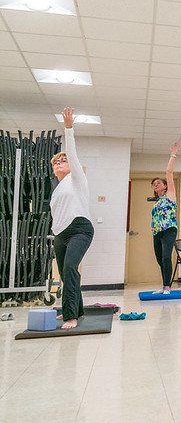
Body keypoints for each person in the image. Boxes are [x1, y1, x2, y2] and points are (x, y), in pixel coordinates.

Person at [50, 107, 94, 329]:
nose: (59, 163)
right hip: (60, 234)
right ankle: (77, 308)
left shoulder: (77, 177)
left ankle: (70, 316)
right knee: (67, 274)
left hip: (79, 228)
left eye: (63, 161)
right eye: (56, 163)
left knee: (69, 268)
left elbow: (72, 154)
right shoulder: (57, 190)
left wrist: (68, 129)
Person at [151, 142, 179, 294]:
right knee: (160, 260)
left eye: (158, 183)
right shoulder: (157, 201)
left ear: (165, 186)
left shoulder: (170, 195)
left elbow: (169, 172)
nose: (155, 185)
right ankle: (164, 286)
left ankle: (168, 287)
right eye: (154, 184)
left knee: (167, 257)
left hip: (169, 230)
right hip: (157, 232)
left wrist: (173, 154)